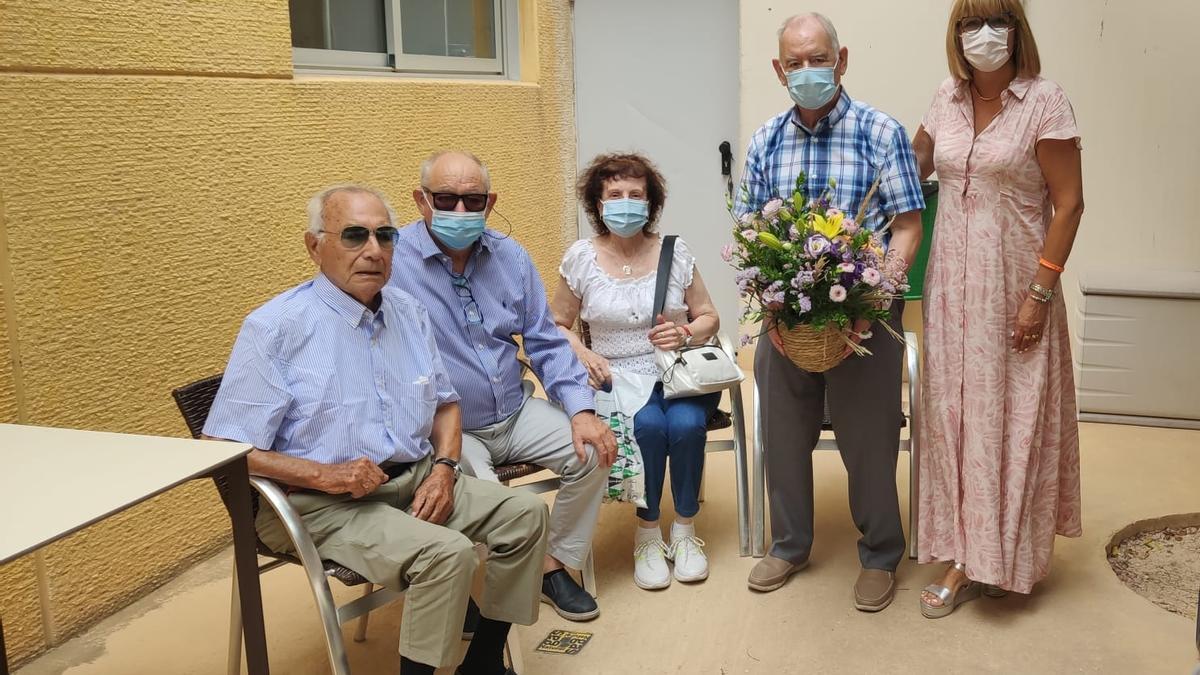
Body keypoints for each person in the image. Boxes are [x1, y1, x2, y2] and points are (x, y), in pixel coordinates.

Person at [203, 184, 547, 675]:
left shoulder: (408, 311)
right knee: (447, 555)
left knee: (527, 513)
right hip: (320, 506)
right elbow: (223, 448)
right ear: (314, 245)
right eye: (354, 236)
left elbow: (446, 405)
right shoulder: (275, 328)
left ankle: (486, 661)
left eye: (385, 236)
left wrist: (445, 468)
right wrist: (327, 476)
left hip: (416, 481)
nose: (373, 251)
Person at [733, 12, 924, 612]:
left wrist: (873, 302)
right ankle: (789, 545)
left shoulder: (880, 132)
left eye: (819, 59)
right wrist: (772, 316)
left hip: (864, 317)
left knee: (869, 439)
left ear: (841, 63)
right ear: (778, 70)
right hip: (787, 322)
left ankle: (880, 553)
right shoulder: (765, 139)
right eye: (795, 62)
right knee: (782, 435)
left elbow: (908, 227)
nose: (808, 71)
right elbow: (749, 232)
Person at [390, 151, 617, 622]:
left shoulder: (510, 256)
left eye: (471, 200)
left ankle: (551, 565)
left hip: (514, 409)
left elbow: (545, 341)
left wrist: (581, 410)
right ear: (421, 200)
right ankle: (478, 593)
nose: (459, 212)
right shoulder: (392, 263)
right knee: (498, 504)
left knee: (594, 452)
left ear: (490, 203)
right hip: (449, 431)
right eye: (445, 199)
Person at [912, 0, 1084, 617]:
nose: (982, 35)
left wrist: (1039, 294)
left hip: (1013, 292)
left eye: (996, 21)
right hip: (950, 293)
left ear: (1017, 29)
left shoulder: (1045, 101)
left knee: (1006, 422)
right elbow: (914, 168)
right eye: (968, 23)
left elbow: (1069, 205)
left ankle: (997, 558)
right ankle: (964, 550)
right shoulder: (945, 99)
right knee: (954, 421)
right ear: (955, 36)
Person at [550, 152, 723, 590]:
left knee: (684, 425)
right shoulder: (581, 258)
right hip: (617, 380)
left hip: (678, 372)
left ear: (650, 204)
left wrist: (684, 333)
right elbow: (556, 326)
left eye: (636, 195)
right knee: (647, 425)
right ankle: (647, 533)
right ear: (598, 202)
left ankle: (683, 531)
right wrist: (584, 354)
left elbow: (709, 317)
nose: (626, 202)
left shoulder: (674, 251)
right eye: (615, 194)